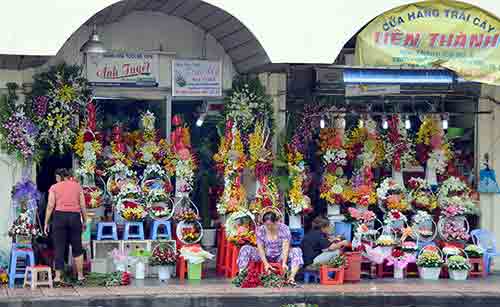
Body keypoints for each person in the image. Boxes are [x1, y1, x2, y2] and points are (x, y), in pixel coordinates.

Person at [44, 168, 87, 283]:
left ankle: (58, 277)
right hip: (74, 217)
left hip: (59, 217)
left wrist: (46, 222)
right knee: (77, 247)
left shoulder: (54, 187)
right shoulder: (77, 186)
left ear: (59, 177)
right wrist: (85, 220)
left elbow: (50, 206)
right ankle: (80, 276)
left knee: (59, 247)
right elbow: (83, 205)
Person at [237, 211, 303, 283]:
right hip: (265, 254)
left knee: (297, 250)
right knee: (245, 248)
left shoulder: (284, 228)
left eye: (271, 225)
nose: (269, 227)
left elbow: (285, 247)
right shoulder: (261, 230)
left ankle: (291, 278)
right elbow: (260, 248)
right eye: (266, 225)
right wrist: (266, 264)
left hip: (280, 255)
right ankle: (241, 275)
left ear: (276, 222)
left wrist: (284, 263)